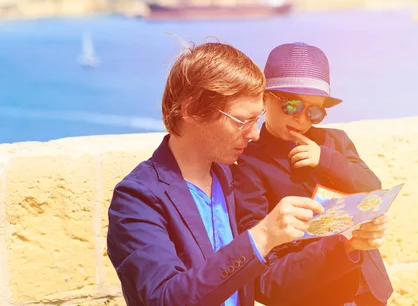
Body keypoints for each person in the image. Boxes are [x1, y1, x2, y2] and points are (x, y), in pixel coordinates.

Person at [106, 40, 327, 306]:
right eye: (242, 121)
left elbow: (265, 281)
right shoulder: (137, 198)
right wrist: (263, 235)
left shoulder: (232, 176)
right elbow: (165, 299)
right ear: (191, 110)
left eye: (255, 120)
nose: (254, 134)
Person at [233, 42, 394, 306]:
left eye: (315, 111)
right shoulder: (250, 164)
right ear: (264, 97)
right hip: (312, 292)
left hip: (366, 289)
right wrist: (345, 244)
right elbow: (263, 264)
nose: (302, 119)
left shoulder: (334, 142)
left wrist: (326, 159)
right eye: (292, 105)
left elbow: (372, 186)